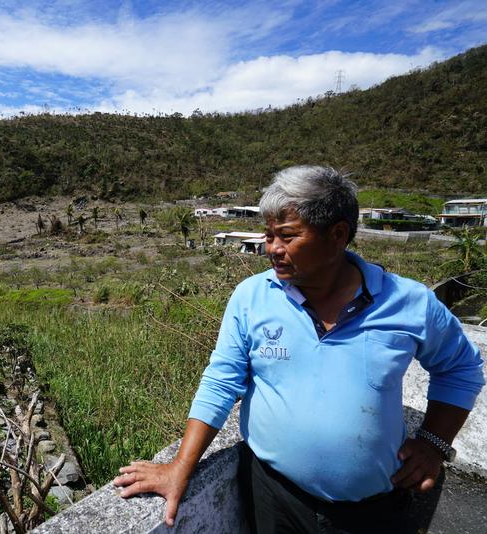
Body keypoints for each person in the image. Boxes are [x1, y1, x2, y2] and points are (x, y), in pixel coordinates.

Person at [112, 166, 484, 533]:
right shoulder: (252, 297)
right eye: (269, 235)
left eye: (287, 236)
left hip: (374, 509)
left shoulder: (409, 302)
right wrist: (181, 465)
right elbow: (221, 381)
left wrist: (434, 444)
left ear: (337, 235)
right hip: (273, 495)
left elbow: (460, 368)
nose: (272, 248)